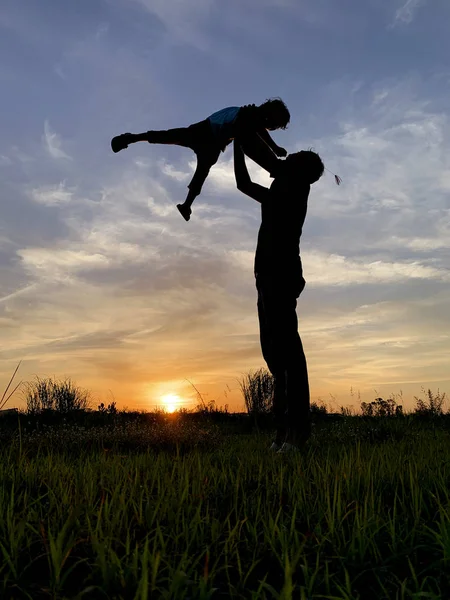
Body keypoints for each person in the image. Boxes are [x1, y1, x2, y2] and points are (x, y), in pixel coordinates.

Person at [233, 140, 325, 454]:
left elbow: (270, 161)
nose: (289, 156)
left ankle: (298, 434)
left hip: (281, 277)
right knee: (275, 358)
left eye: (295, 156)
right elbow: (243, 183)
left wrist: (242, 135)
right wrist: (236, 145)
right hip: (266, 278)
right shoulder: (279, 191)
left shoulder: (296, 186)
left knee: (289, 357)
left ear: (301, 170)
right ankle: (283, 432)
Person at [110, 98, 290, 221]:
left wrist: (273, 148)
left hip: (214, 143)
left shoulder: (253, 118)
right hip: (205, 132)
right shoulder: (250, 115)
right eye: (275, 124)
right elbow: (258, 131)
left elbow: (258, 132)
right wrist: (274, 148)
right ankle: (130, 138)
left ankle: (187, 205)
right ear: (271, 114)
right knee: (170, 136)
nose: (272, 128)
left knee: (202, 172)